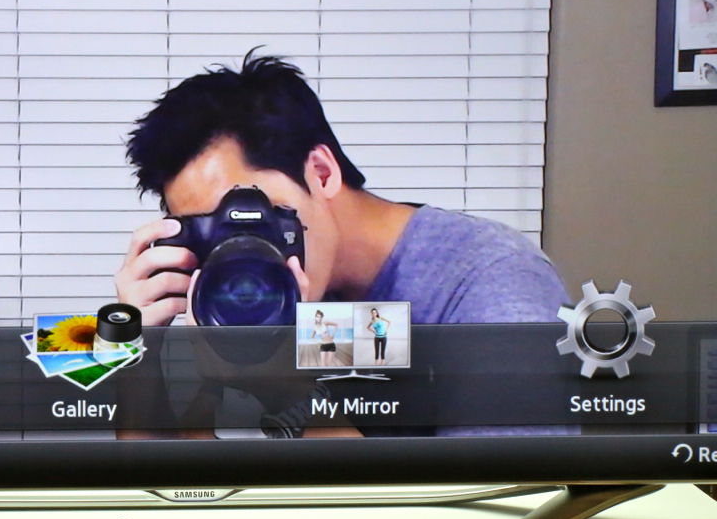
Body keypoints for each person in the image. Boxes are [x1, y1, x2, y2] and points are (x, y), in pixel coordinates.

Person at [115, 52, 568, 328]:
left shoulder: (488, 281)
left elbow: (503, 467)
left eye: (248, 218)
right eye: (213, 234)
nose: (236, 251)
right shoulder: (232, 309)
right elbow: (182, 463)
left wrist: (281, 385)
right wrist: (135, 348)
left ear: (321, 172)